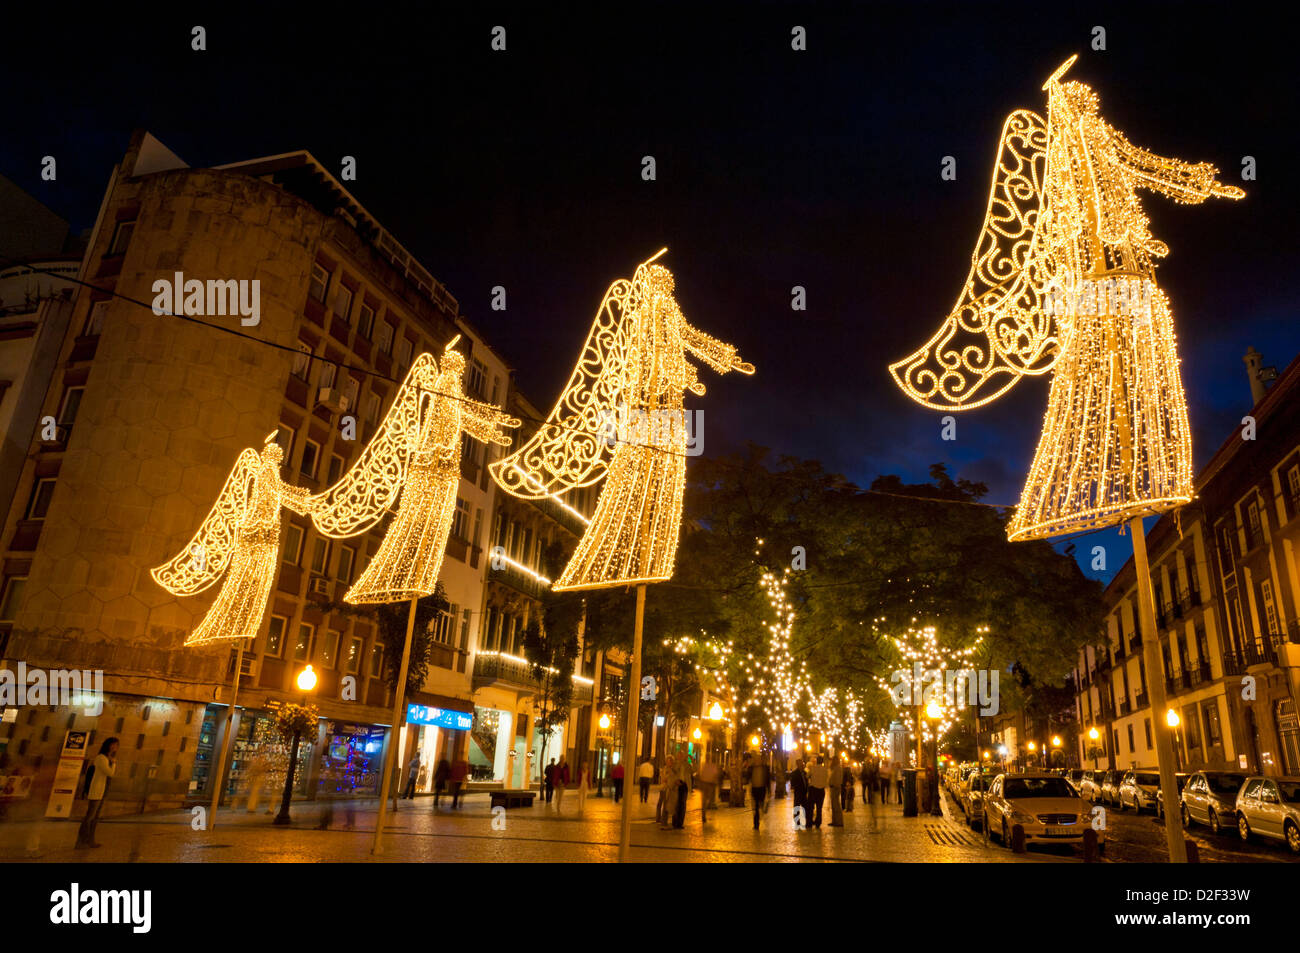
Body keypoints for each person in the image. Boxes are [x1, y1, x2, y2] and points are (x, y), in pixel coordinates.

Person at [76, 737, 118, 849]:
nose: (115, 747)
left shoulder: (107, 758)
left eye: (116, 745)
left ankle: (90, 840)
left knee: (95, 818)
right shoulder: (101, 758)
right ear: (107, 745)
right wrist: (113, 763)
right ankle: (80, 841)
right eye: (113, 745)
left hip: (102, 791)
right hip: (96, 790)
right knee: (89, 817)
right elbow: (110, 773)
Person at [746, 755, 770, 830]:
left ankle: (761, 811)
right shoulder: (751, 768)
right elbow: (747, 777)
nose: (757, 761)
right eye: (756, 759)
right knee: (755, 807)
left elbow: (768, 779)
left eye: (759, 759)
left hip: (762, 789)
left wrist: (769, 789)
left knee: (761, 804)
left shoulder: (765, 768)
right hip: (754, 789)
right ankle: (756, 824)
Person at [807, 756, 828, 829]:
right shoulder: (825, 769)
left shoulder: (813, 768)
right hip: (821, 790)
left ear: (817, 761)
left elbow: (807, 776)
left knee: (811, 807)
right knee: (819, 808)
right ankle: (818, 822)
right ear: (822, 762)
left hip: (813, 790)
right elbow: (826, 778)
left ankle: (809, 822)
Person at [698, 758, 721, 823]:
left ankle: (704, 813)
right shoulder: (713, 766)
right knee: (707, 800)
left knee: (704, 800)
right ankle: (704, 814)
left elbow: (701, 774)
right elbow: (716, 775)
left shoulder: (705, 765)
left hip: (705, 784)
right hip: (709, 785)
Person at [789, 758, 809, 827]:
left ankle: (806, 821)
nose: (802, 765)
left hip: (804, 793)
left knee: (806, 807)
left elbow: (806, 782)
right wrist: (795, 787)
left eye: (802, 763)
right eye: (800, 763)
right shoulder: (794, 773)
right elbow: (792, 783)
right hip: (798, 792)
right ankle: (797, 822)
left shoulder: (805, 772)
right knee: (797, 807)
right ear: (797, 764)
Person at [658, 755, 677, 828]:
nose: (669, 763)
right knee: (664, 805)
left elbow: (672, 778)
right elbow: (664, 778)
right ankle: (663, 822)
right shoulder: (665, 769)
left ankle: (664, 821)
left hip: (670, 788)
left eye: (670, 761)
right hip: (664, 788)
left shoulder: (673, 769)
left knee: (668, 805)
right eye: (668, 761)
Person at [672, 755, 689, 829]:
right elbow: (673, 771)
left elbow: (694, 770)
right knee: (676, 804)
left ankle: (680, 823)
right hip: (677, 784)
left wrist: (693, 760)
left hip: (684, 785)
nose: (681, 757)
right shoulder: (675, 764)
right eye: (680, 755)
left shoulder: (687, 765)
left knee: (683, 804)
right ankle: (675, 822)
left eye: (682, 756)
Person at [828, 756, 845, 826]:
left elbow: (838, 779)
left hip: (835, 788)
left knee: (836, 805)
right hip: (833, 788)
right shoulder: (835, 768)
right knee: (833, 805)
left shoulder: (838, 768)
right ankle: (834, 821)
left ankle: (839, 821)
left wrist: (835, 786)